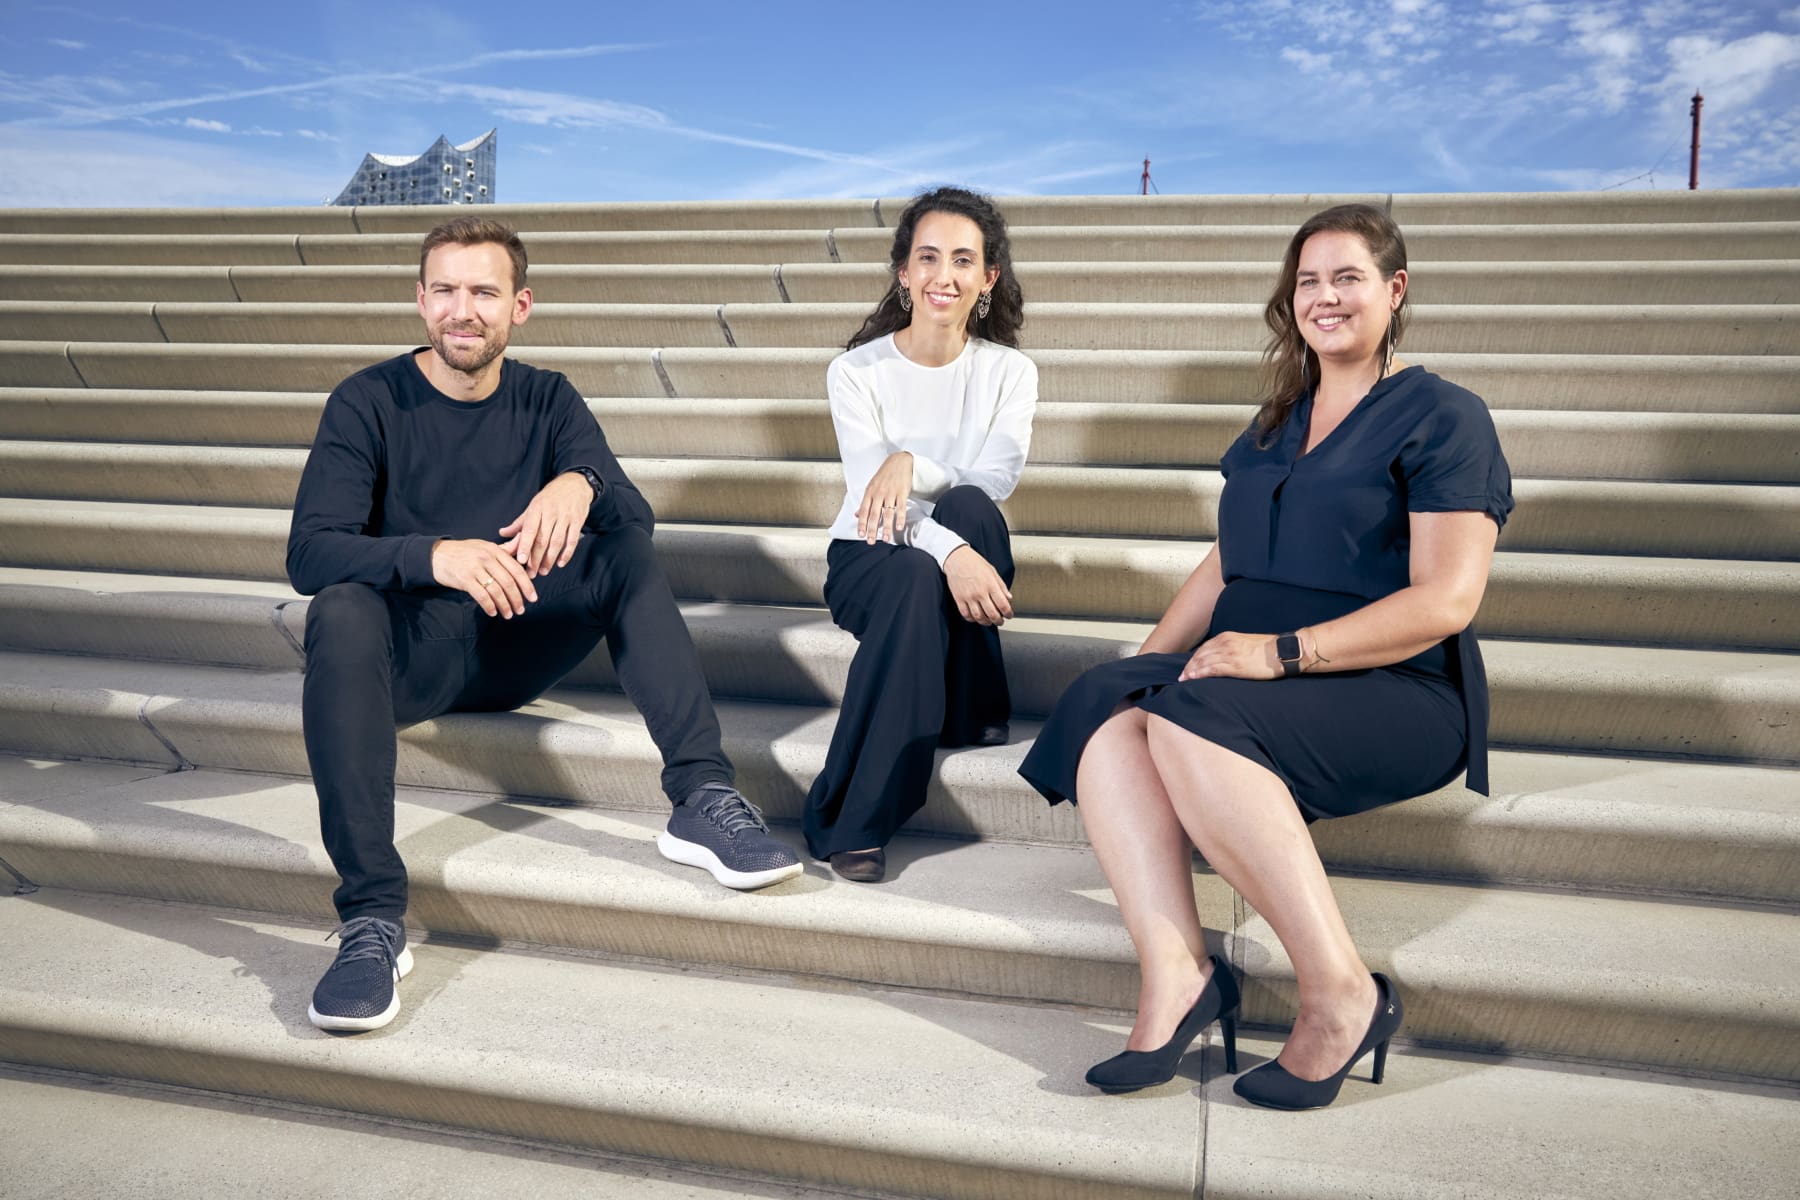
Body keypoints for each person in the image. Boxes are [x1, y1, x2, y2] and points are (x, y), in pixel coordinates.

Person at [1018, 203, 1512, 1109]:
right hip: (1254, 666)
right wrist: (1141, 672)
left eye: (1348, 277)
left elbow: (1447, 600)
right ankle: (1177, 976)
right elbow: (1223, 567)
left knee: (1189, 714)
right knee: (1110, 705)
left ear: (1395, 292)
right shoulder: (1274, 421)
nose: (1325, 297)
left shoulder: (1444, 416)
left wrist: (1282, 654)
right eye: (1309, 281)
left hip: (1395, 687)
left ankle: (1341, 993)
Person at [288, 216, 800, 1032]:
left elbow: (633, 518)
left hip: (522, 644)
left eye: (484, 292)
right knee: (341, 609)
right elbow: (311, 553)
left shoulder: (548, 397)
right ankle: (372, 921)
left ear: (519, 306)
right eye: (447, 290)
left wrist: (584, 482)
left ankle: (703, 796)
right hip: (414, 659)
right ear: (421, 301)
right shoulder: (368, 401)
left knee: (623, 549)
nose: (465, 310)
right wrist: (433, 558)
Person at [803, 186, 1037, 883]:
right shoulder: (854, 372)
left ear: (987, 278)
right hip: (868, 557)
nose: (945, 275)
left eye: (964, 260)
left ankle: (966, 700)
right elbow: (874, 508)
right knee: (913, 569)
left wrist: (909, 464)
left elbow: (994, 479)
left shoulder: (1010, 372)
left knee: (966, 504)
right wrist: (951, 553)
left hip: (968, 532)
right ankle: (861, 814)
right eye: (928, 257)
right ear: (903, 271)